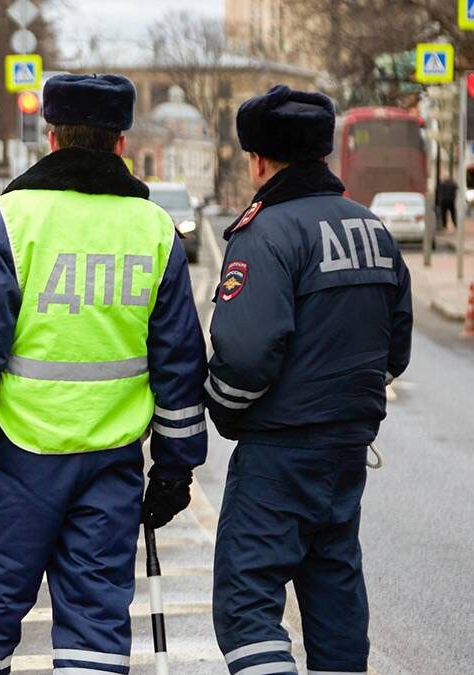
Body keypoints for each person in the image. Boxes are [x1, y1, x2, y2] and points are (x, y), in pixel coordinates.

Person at [0, 73, 207, 674]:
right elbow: (180, 364)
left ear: (50, 138)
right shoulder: (154, 230)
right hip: (111, 461)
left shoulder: (10, 222)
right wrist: (176, 470)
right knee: (94, 630)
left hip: (18, 459)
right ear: (121, 144)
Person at [207, 85, 413, 675]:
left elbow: (244, 357)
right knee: (334, 591)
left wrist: (224, 409)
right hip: (347, 449)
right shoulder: (371, 228)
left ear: (260, 159)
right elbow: (394, 349)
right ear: (323, 154)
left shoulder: (266, 232)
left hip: (279, 450)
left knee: (247, 604)